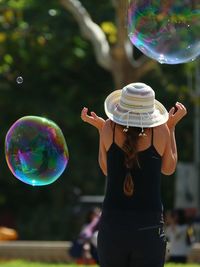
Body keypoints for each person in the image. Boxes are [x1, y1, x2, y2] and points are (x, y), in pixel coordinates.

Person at [81, 82, 187, 267]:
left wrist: (101, 130)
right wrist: (171, 127)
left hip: (112, 227)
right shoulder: (160, 130)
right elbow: (169, 168)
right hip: (149, 227)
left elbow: (106, 169)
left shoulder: (108, 128)